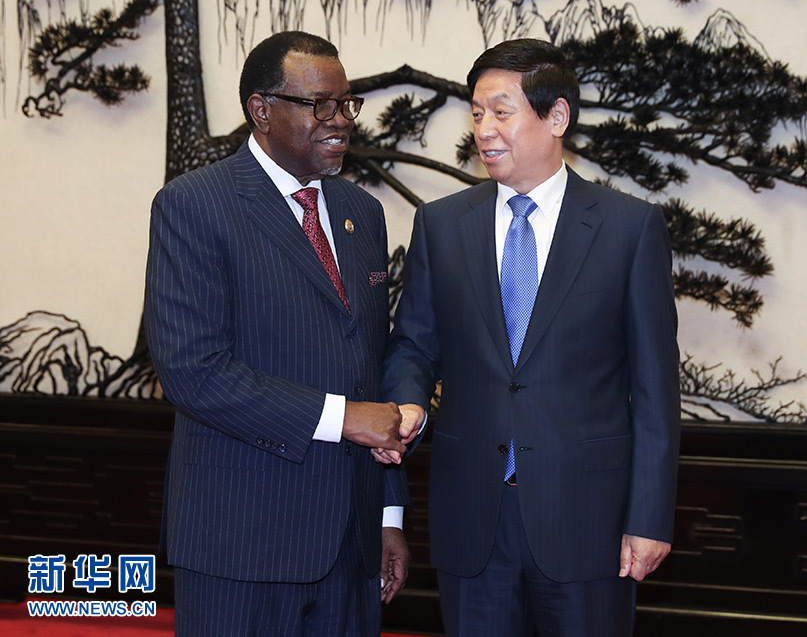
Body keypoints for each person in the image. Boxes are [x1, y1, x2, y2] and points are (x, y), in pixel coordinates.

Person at [378, 38, 681, 636]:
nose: (484, 130)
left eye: (501, 111)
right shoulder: (441, 225)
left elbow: (654, 390)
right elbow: (413, 344)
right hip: (473, 518)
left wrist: (649, 517)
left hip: (588, 521)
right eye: (476, 114)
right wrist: (408, 402)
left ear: (557, 116)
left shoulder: (629, 228)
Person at [144, 31, 417, 636]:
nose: (339, 120)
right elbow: (193, 372)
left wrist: (388, 515)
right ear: (261, 110)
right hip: (242, 542)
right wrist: (342, 417)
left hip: (352, 546)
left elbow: (369, 368)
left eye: (346, 104)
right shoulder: (194, 206)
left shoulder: (362, 213)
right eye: (319, 105)